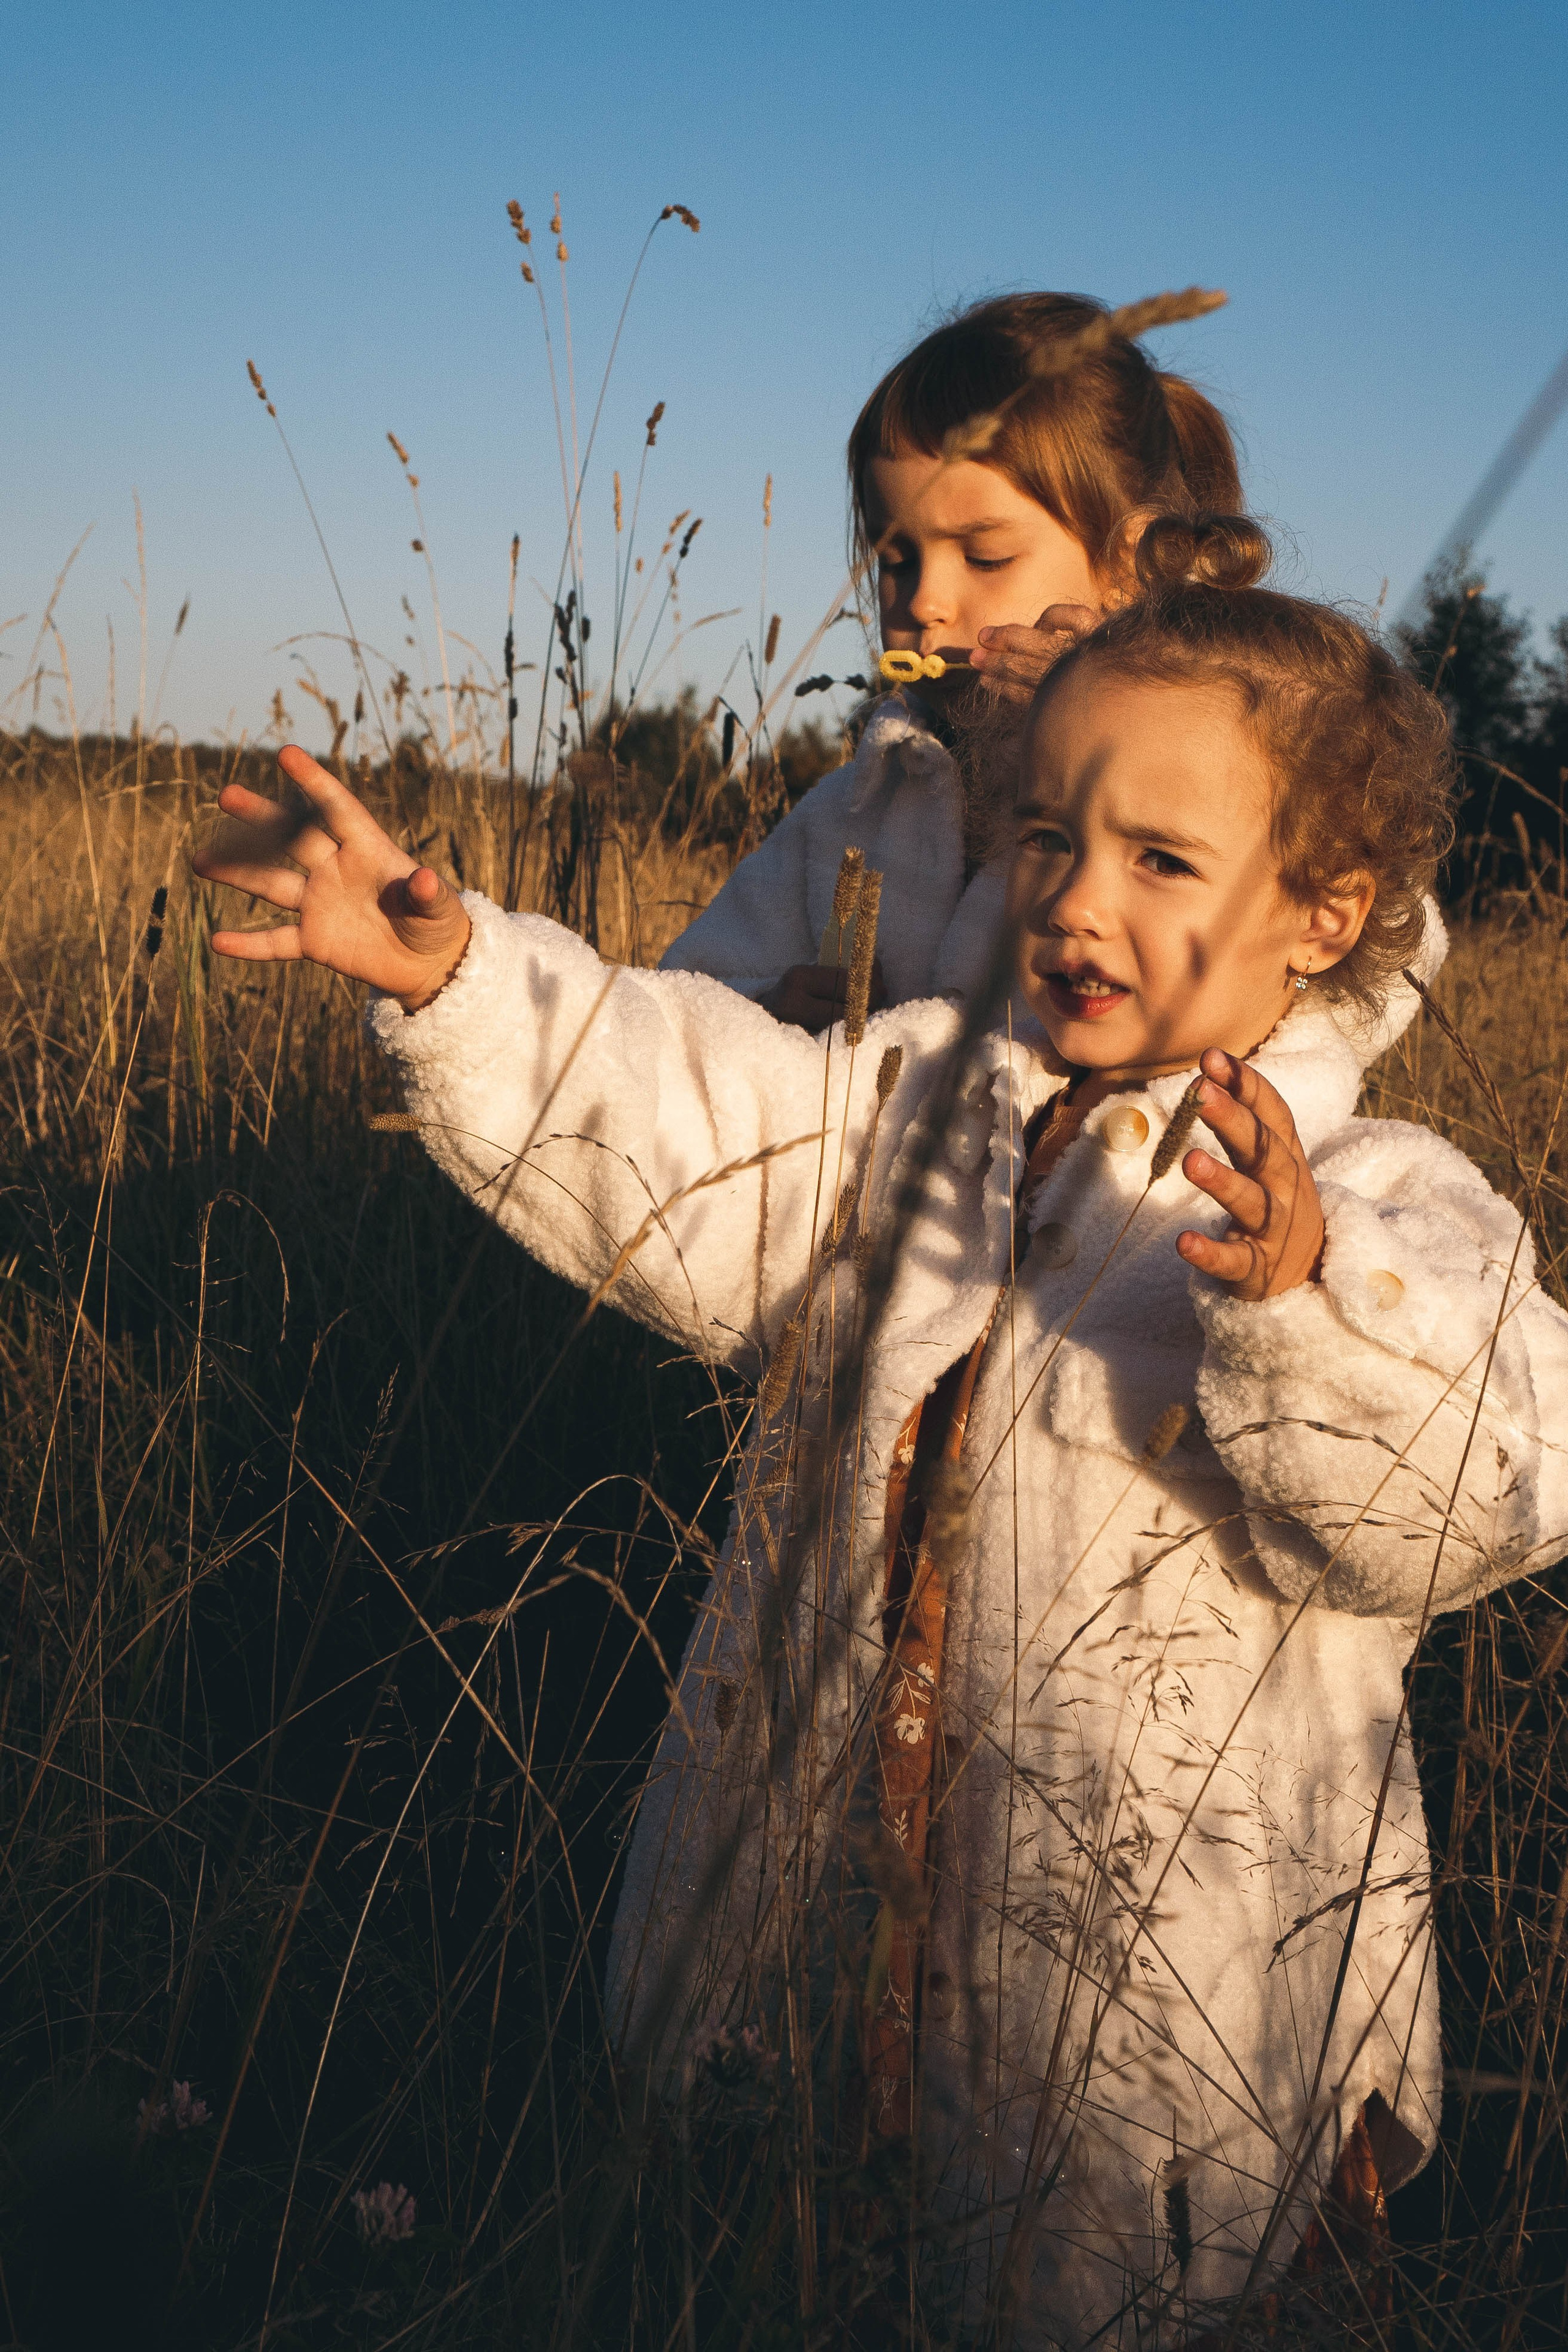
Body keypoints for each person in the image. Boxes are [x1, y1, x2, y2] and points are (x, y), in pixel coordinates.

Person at [193, 513, 1568, 2346]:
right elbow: (698, 1131)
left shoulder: (1391, 1201)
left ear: (1321, 906)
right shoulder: (924, 1095)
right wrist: (460, 986)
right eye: (1049, 836)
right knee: (802, 2265)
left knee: (1116, 2279)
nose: (1078, 900)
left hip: (1161, 2039)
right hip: (828, 1948)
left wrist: (1306, 1303)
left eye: (1162, 856)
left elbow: (1473, 1485)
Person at [658, 291, 1246, 1030]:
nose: (926, 601)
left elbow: (1374, 939)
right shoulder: (857, 808)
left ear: (1126, 566)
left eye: (985, 555)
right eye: (896, 558)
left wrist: (1125, 725)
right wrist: (763, 1009)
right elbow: (680, 997)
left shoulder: (1220, 772)